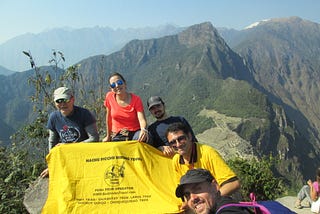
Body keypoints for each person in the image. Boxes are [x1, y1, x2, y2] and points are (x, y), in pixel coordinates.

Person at [165, 122, 240, 197]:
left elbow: (233, 184)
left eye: (181, 139)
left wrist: (212, 199)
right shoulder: (176, 161)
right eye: (173, 142)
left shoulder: (207, 153)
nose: (178, 144)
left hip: (221, 201)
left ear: (190, 136)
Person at [40, 86, 99, 177]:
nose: (62, 104)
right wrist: (52, 166)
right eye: (58, 101)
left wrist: (70, 146)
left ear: (72, 99)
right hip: (66, 158)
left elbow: (94, 139)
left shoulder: (84, 114)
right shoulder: (54, 117)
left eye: (65, 100)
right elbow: (52, 142)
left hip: (85, 156)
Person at [175, 168, 251, 214]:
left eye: (197, 189)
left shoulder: (228, 209)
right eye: (187, 195)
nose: (192, 198)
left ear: (214, 186)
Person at [102, 72, 148, 142]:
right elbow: (108, 118)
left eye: (119, 82)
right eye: (113, 85)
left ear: (125, 83)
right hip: (118, 134)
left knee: (144, 139)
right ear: (111, 88)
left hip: (135, 132)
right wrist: (108, 136)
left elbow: (142, 119)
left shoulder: (136, 99)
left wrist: (143, 130)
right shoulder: (109, 97)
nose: (117, 86)